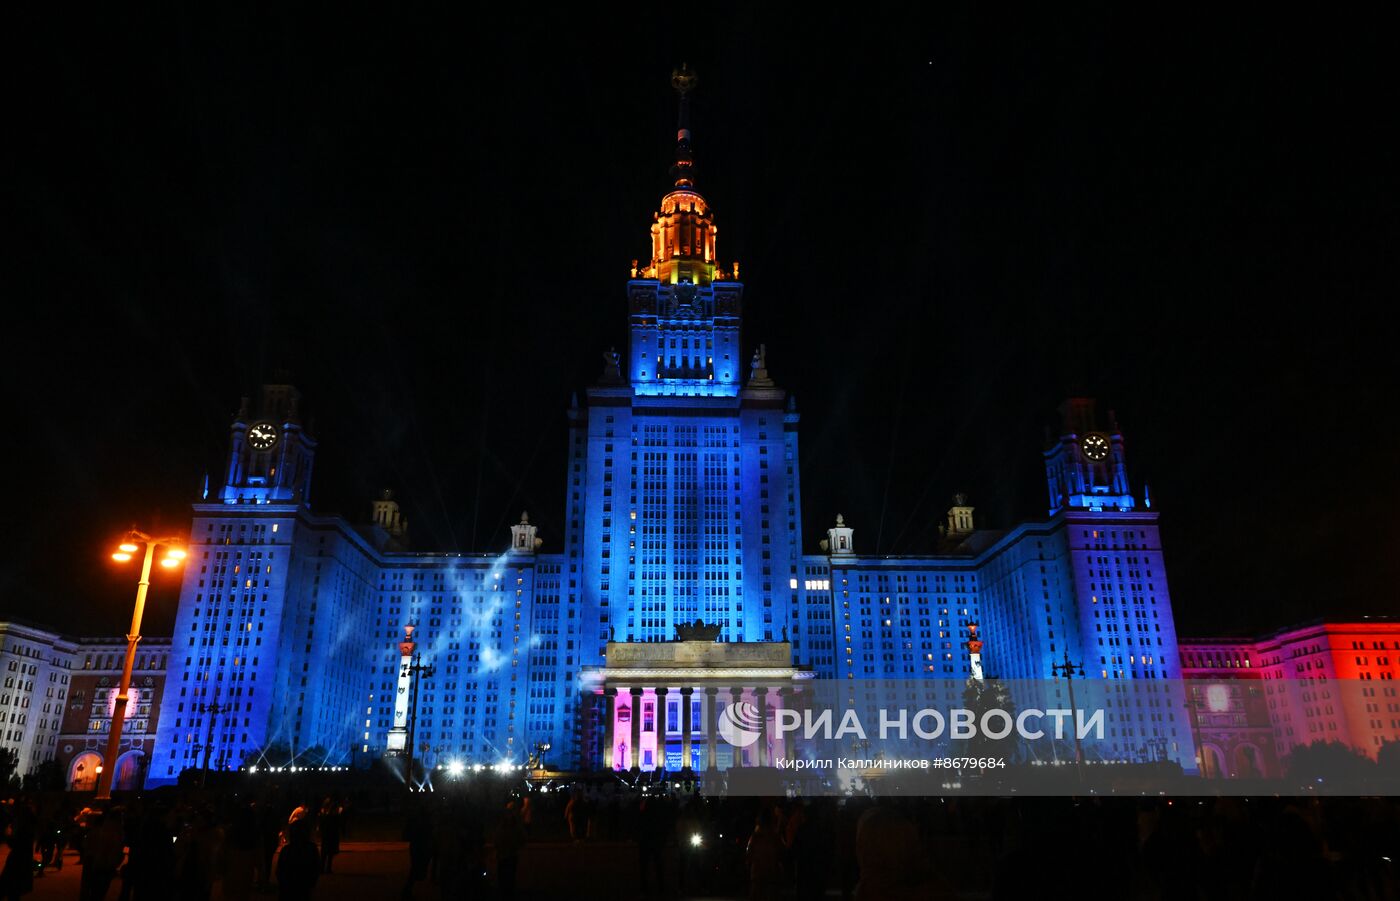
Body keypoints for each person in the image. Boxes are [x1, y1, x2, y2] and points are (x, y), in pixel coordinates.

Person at [80, 807, 126, 901]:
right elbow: (113, 848)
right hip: (104, 864)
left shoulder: (102, 829)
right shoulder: (115, 830)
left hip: (96, 861)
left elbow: (87, 845)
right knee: (99, 890)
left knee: (91, 887)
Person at [275, 819, 320, 901]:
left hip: (288, 889)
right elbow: (315, 869)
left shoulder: (287, 850)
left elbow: (279, 871)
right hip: (304, 888)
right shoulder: (311, 849)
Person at [0, 800, 36, 901]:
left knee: (11, 888)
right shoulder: (29, 827)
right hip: (22, 861)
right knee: (14, 891)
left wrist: (7, 836)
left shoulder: (24, 829)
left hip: (17, 861)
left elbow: (16, 844)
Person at [493, 800, 527, 901]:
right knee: (507, 877)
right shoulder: (511, 827)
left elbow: (496, 840)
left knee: (506, 877)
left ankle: (506, 894)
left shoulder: (508, 827)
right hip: (508, 855)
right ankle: (506, 894)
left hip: (507, 855)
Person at [317, 798, 341, 874]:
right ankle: (325, 869)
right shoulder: (332, 817)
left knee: (327, 854)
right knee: (327, 854)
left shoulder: (327, 816)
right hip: (329, 837)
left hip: (327, 837)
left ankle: (325, 869)